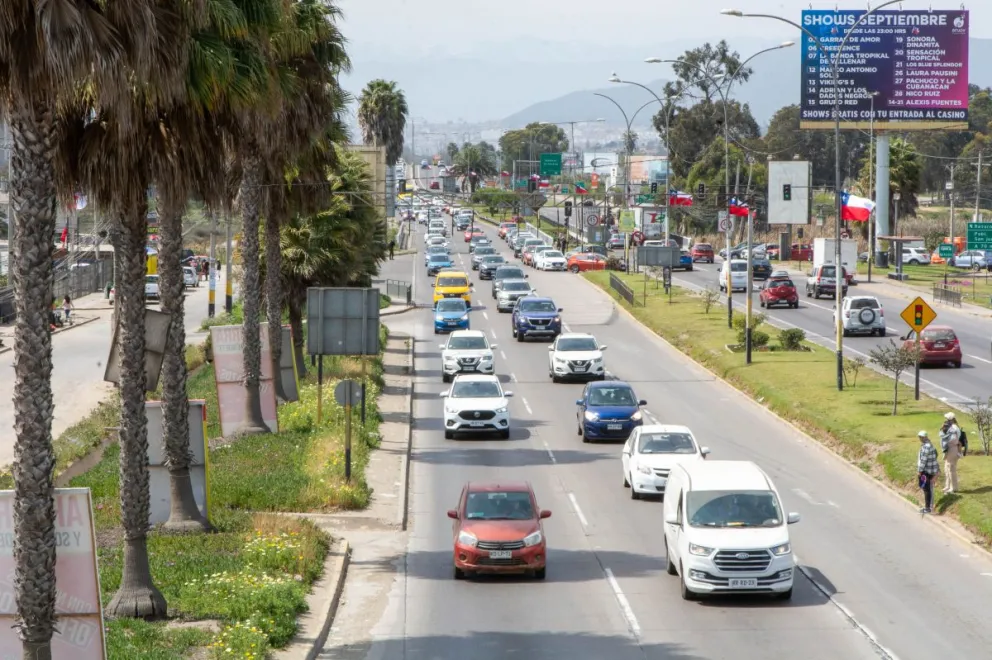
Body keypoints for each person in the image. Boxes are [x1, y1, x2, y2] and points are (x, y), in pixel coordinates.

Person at [917, 430, 939, 514]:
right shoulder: (930, 445)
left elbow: (923, 460)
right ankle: (929, 506)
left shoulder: (926, 447)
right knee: (928, 489)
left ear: (924, 437)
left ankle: (927, 508)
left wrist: (920, 471)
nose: (920, 438)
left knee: (926, 489)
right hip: (931, 470)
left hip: (926, 471)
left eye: (921, 437)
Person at [939, 411, 962, 493]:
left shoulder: (954, 428)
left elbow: (954, 440)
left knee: (951, 468)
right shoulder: (950, 427)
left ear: (951, 419)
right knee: (946, 467)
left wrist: (946, 441)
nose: (946, 420)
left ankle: (954, 487)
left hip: (953, 448)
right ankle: (947, 485)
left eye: (947, 419)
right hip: (949, 449)